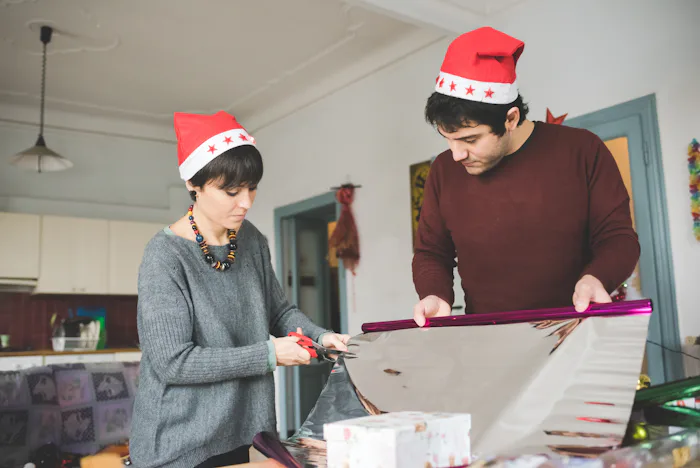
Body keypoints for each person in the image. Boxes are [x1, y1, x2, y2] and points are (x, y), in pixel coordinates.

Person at [129, 111, 350, 467]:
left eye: (252, 188)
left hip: (242, 430)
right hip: (178, 442)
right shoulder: (164, 256)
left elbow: (279, 312)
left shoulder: (252, 240)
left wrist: (322, 339)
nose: (245, 202)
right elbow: (173, 363)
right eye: (231, 191)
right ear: (194, 185)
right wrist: (269, 354)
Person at [412, 27, 640, 327]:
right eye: (448, 139)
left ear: (511, 119)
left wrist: (596, 278)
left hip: (576, 331)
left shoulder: (582, 150)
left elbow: (618, 237)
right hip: (488, 341)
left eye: (469, 140)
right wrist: (435, 295)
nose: (456, 155)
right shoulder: (443, 171)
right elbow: (431, 252)